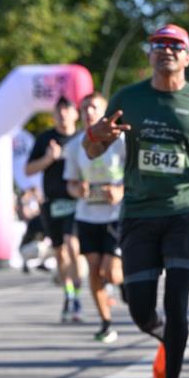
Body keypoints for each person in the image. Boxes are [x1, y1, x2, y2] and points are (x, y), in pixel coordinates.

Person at [83, 23, 189, 378]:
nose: (165, 50)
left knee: (178, 302)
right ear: (150, 54)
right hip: (138, 212)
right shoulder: (128, 98)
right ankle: (167, 340)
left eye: (175, 45)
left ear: (187, 56)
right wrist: (94, 135)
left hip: (186, 210)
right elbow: (93, 148)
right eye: (158, 44)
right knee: (140, 311)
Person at [64, 91, 125, 343]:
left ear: (105, 113)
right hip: (88, 215)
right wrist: (78, 189)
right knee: (94, 271)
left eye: (94, 108)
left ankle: (125, 285)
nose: (89, 112)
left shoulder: (121, 141)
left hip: (115, 214)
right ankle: (106, 322)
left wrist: (120, 190)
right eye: (85, 108)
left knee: (111, 272)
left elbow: (134, 175)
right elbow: (70, 183)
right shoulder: (74, 145)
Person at [25, 96, 84, 323]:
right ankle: (69, 296)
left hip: (77, 202)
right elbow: (29, 169)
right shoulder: (46, 139)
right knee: (60, 252)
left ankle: (78, 296)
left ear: (75, 114)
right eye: (58, 111)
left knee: (72, 244)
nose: (63, 114)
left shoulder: (82, 138)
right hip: (53, 203)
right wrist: (49, 159)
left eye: (67, 110)